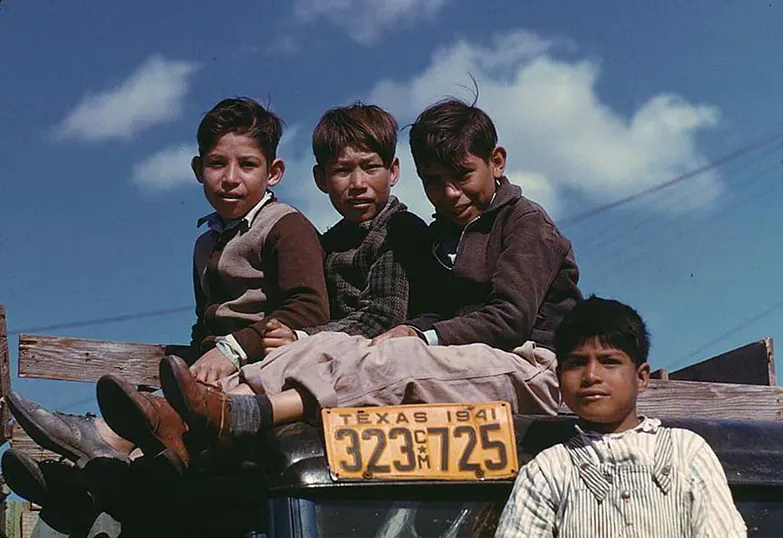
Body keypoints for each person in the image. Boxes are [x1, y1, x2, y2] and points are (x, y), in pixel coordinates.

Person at [125, 98, 581, 455]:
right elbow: (435, 311)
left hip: (534, 366)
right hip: (473, 361)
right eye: (434, 182)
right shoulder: (445, 232)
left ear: (496, 161)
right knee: (334, 346)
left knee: (388, 358)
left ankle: (251, 413)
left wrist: (419, 334)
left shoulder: (525, 224)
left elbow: (510, 319)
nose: (449, 192)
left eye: (462, 175)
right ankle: (172, 423)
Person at [7, 97, 330, 469]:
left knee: (156, 428)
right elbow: (204, 323)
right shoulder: (206, 242)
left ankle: (102, 440)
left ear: (273, 172)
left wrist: (233, 350)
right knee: (155, 440)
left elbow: (308, 308)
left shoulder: (285, 226)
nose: (230, 177)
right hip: (214, 372)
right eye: (216, 164)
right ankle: (86, 480)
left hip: (264, 367)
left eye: (248, 165)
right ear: (197, 169)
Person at [494, 296, 747, 538]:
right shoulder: (547, 472)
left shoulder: (687, 452)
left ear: (641, 377)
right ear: (559, 377)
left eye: (609, 361)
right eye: (576, 363)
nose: (591, 375)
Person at [257, 102, 429, 352]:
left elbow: (381, 318)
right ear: (321, 179)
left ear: (392, 171)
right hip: (338, 352)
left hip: (390, 354)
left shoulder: (399, 230)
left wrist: (302, 339)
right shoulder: (330, 242)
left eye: (370, 167)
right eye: (342, 170)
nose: (358, 183)